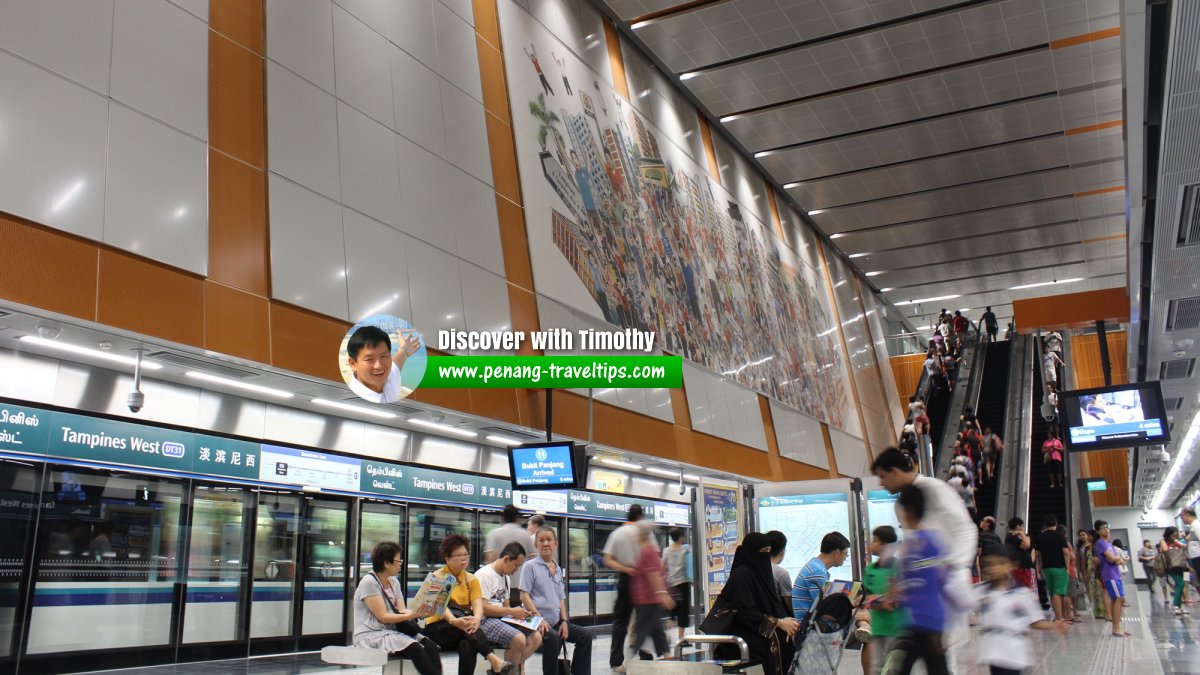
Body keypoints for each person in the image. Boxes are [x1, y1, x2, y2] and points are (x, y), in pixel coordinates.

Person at [872, 448, 976, 674]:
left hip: (946, 583)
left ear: (896, 471)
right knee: (931, 654)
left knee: (945, 651)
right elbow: (912, 549)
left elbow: (965, 530)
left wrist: (951, 568)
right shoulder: (901, 504)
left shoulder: (935, 488)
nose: (882, 483)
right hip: (921, 593)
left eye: (883, 476)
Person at [422, 534, 514, 675]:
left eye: (465, 554)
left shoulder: (471, 579)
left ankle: (495, 662)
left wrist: (477, 618)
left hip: (463, 628)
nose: (464, 558)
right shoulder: (438, 577)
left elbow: (477, 604)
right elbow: (441, 607)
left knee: (467, 645)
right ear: (447, 558)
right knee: (468, 630)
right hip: (439, 626)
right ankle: (494, 660)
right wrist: (454, 621)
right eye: (458, 555)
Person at [884, 485, 951, 675]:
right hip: (921, 622)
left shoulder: (920, 543)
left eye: (899, 510)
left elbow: (929, 581)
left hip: (924, 623)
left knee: (897, 670)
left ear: (909, 509)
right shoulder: (926, 541)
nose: (898, 516)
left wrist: (896, 590)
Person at [710, 532, 799, 675]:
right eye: (763, 551)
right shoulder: (742, 575)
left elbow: (772, 604)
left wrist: (786, 623)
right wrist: (779, 623)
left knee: (787, 638)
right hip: (744, 632)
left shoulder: (761, 573)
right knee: (775, 645)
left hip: (757, 628)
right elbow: (745, 612)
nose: (765, 556)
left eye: (768, 551)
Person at [973, 546, 1069, 675]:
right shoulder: (982, 591)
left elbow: (1034, 621)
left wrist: (1053, 625)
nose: (993, 568)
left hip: (1014, 654)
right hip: (993, 652)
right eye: (990, 564)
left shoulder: (1022, 594)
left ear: (1011, 566)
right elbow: (958, 598)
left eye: (999, 563)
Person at [352, 541, 442, 675]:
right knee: (415, 647)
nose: (401, 564)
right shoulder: (369, 582)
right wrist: (413, 615)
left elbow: (402, 611)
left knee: (431, 646)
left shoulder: (394, 581)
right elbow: (383, 617)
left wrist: (424, 612)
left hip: (391, 632)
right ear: (386, 563)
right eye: (398, 561)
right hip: (370, 634)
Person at [519, 526, 593, 675]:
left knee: (585, 635)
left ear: (556, 543)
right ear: (536, 545)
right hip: (535, 621)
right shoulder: (530, 566)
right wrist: (538, 618)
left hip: (555, 621)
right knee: (553, 638)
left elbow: (561, 597)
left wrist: (564, 621)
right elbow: (524, 596)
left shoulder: (558, 569)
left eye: (549, 540)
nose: (545, 543)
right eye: (541, 540)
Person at [475, 542, 542, 670]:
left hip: (501, 618)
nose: (516, 570)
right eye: (516, 565)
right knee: (519, 639)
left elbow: (506, 606)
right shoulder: (485, 575)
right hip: (485, 620)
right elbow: (481, 608)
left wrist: (519, 615)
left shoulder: (506, 578)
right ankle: (514, 670)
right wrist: (511, 611)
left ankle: (513, 669)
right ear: (506, 559)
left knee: (536, 637)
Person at [602, 505, 653, 671]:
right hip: (643, 579)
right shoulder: (646, 532)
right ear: (641, 516)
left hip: (625, 579)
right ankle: (645, 655)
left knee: (620, 621)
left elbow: (607, 560)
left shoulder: (617, 534)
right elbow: (654, 557)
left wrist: (625, 568)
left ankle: (616, 662)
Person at [629, 526, 674, 661]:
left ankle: (631, 660)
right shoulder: (648, 551)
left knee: (641, 630)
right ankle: (667, 656)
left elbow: (653, 575)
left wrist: (662, 593)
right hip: (649, 598)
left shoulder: (647, 552)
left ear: (642, 536)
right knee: (656, 630)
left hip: (648, 599)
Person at [863, 526, 903, 675]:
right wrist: (873, 601)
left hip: (897, 629)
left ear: (886, 546)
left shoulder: (899, 568)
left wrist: (892, 599)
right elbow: (867, 596)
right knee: (877, 667)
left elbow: (904, 595)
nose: (870, 545)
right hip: (877, 628)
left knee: (895, 668)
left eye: (875, 541)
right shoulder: (870, 570)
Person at [345, 325, 420, 403]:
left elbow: (396, 362)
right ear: (353, 364)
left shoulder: (389, 377)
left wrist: (405, 349)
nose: (379, 366)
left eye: (383, 356)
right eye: (369, 359)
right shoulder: (352, 400)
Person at [792, 531, 851, 621]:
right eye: (846, 554)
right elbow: (826, 608)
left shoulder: (815, 566)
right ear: (837, 552)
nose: (845, 558)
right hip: (809, 628)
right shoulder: (817, 572)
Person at [1032, 515, 1071, 622]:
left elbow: (1038, 554)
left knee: (1053, 592)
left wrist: (1039, 568)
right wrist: (1067, 568)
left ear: (1045, 524)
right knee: (1058, 593)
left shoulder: (1040, 537)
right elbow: (1066, 553)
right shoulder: (1059, 536)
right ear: (1056, 523)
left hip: (1046, 568)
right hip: (1059, 567)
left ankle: (1058, 616)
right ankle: (1059, 618)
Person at [1093, 521, 1128, 636]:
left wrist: (1117, 559)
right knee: (1119, 598)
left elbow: (1114, 559)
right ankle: (1116, 628)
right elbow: (1112, 559)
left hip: (1115, 574)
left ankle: (1116, 628)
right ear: (1098, 531)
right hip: (1110, 575)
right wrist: (1118, 559)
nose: (1106, 530)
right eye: (1103, 528)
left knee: (1116, 599)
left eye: (1107, 528)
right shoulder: (1100, 543)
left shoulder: (1109, 544)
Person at [663, 526, 693, 642]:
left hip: (671, 585)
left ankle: (669, 635)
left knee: (672, 611)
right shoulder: (685, 549)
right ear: (680, 537)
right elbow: (690, 565)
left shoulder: (666, 550)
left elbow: (662, 568)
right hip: (683, 584)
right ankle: (681, 638)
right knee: (682, 611)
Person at [1161, 527, 1189, 616]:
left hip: (1180, 565)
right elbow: (1166, 552)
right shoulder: (1163, 541)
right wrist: (1176, 547)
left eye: (1176, 533)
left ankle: (1179, 607)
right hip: (1170, 566)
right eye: (1174, 533)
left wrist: (1185, 539)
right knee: (1181, 583)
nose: (1175, 535)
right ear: (1169, 534)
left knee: (1179, 584)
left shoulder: (1175, 541)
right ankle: (1175, 606)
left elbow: (1184, 546)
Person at [1082, 531, 1107, 620]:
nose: (1088, 537)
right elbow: (1084, 561)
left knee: (1100, 592)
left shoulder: (1097, 546)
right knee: (1093, 592)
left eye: (1089, 535)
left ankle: (1104, 612)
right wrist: (1085, 572)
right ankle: (1097, 612)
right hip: (1091, 572)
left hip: (1098, 571)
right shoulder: (1087, 548)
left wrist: (1094, 566)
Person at [1005, 517, 1035, 592]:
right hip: (1020, 569)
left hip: (1021, 568)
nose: (1022, 528)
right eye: (1022, 526)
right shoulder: (1012, 537)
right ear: (1018, 526)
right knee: (1023, 590)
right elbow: (1027, 544)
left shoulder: (1011, 537)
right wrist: (1021, 533)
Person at [766, 530, 792, 606]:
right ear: (782, 552)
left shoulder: (754, 568)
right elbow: (789, 604)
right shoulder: (782, 574)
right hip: (778, 616)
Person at [1180, 508, 1200, 592]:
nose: (1181, 519)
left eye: (1182, 516)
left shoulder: (1196, 525)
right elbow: (1191, 538)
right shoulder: (1193, 526)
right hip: (1196, 559)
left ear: (1187, 515)